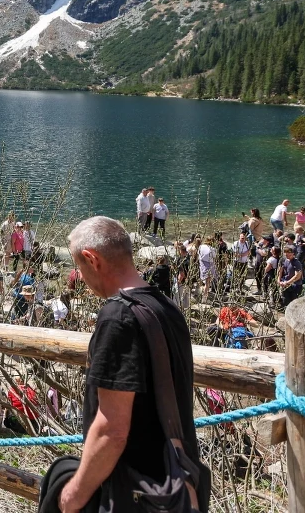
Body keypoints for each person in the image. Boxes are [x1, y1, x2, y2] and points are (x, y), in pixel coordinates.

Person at [54, 217, 200, 513]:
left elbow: (112, 429)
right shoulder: (166, 307)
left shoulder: (118, 318)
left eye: (78, 267)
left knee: (58, 482)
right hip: (176, 481)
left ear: (92, 260)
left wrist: (74, 495)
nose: (79, 277)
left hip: (135, 490)